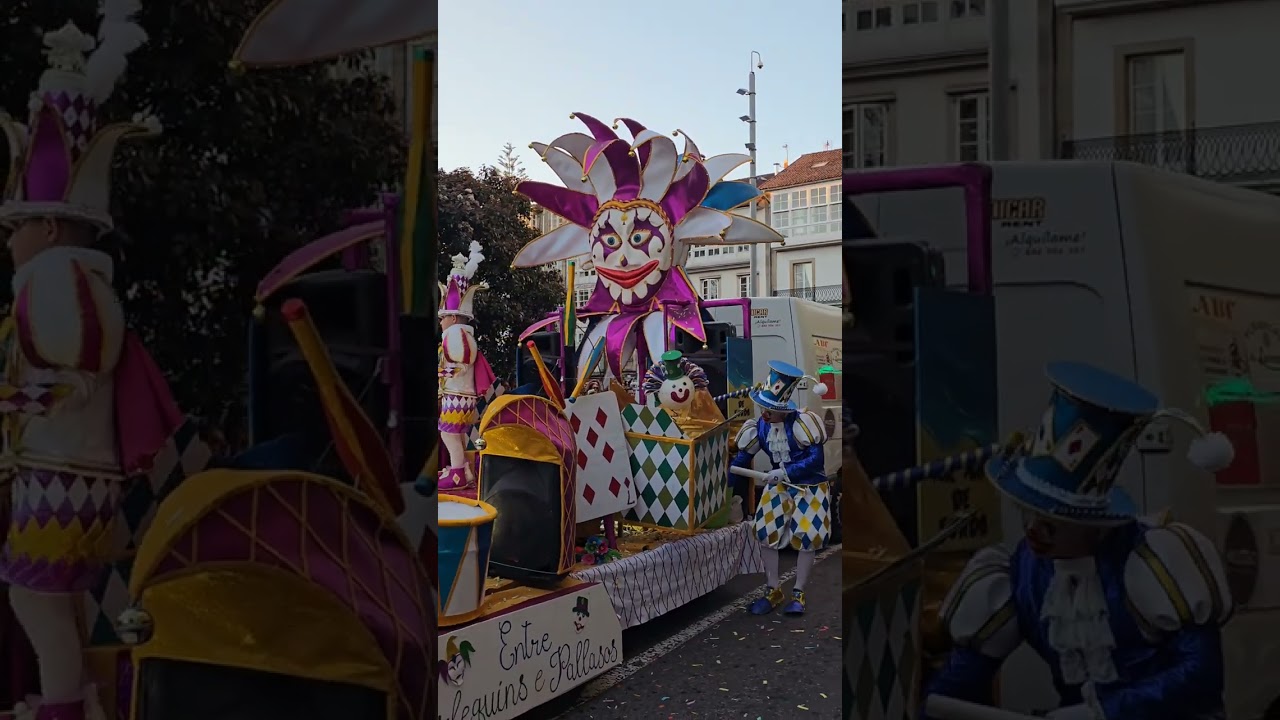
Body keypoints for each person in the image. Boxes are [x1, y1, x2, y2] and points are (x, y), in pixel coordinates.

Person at [0, 14, 181, 720]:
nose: (10, 242)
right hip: (78, 475)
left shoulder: (54, 285)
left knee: (35, 599)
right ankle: (76, 704)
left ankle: (63, 709)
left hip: (62, 477)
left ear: (47, 227)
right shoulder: (76, 284)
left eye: (15, 227)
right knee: (65, 605)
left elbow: (54, 373)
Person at [925, 362, 1235, 720]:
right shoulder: (1019, 576)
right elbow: (958, 686)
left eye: (1053, 523)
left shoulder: (1155, 561)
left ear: (1093, 525)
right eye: (1026, 514)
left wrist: (1102, 713)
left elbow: (1202, 676)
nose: (1033, 532)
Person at [730, 361, 829, 616]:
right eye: (764, 407)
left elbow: (816, 460)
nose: (765, 414)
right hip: (778, 487)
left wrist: (785, 472)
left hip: (810, 487)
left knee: (807, 537)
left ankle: (798, 592)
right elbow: (743, 457)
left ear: (784, 410)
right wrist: (725, 479)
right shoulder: (760, 426)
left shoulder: (805, 424)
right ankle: (773, 589)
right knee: (765, 533)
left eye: (771, 410)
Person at [431, 242, 495, 494]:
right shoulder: (459, 335)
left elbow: (459, 362)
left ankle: (458, 470)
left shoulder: (456, 336)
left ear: (454, 317)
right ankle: (463, 470)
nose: (441, 320)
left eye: (443, 316)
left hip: (459, 395)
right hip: (459, 394)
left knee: (447, 431)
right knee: (452, 432)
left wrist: (441, 372)